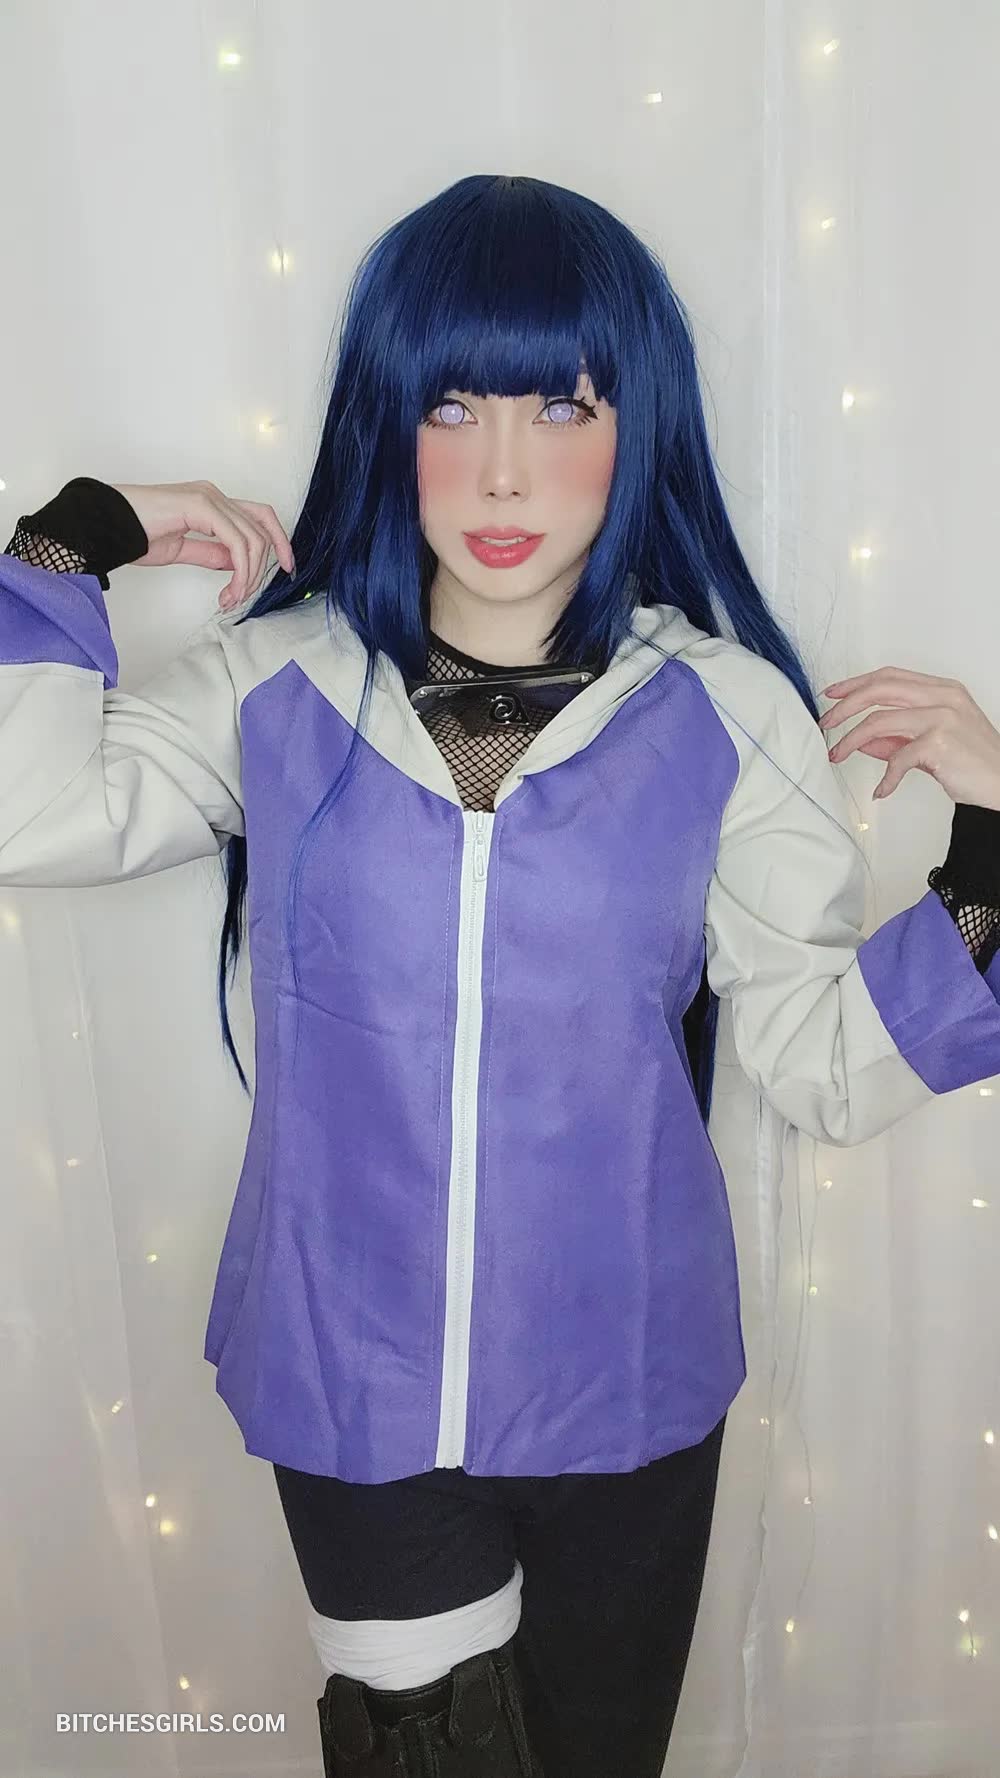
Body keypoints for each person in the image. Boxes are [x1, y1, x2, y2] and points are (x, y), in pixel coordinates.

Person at [3, 172, 1000, 1778]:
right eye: (454, 407)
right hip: (353, 1380)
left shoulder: (723, 710)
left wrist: (992, 862)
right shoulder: (280, 682)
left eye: (562, 406)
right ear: (388, 419)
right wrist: (71, 539)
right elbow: (27, 811)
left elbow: (821, 1060)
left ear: (634, 423)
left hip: (632, 1385)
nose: (506, 471)